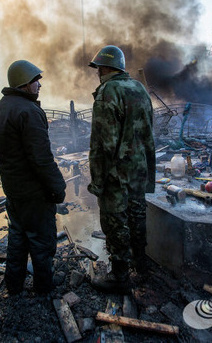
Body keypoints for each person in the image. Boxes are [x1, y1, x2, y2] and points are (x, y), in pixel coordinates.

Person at [0, 60, 67, 296]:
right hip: (34, 192)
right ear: (24, 83)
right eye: (35, 80)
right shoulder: (29, 111)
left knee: (18, 237)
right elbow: (41, 158)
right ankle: (43, 288)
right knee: (42, 242)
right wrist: (58, 186)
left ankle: (14, 286)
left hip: (13, 189)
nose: (39, 84)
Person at [87, 45, 156, 293]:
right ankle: (142, 265)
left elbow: (105, 143)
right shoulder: (139, 88)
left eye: (98, 68)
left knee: (115, 221)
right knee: (137, 215)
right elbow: (149, 131)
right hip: (139, 168)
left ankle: (120, 276)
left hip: (116, 172)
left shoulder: (108, 92)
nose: (97, 73)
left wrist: (98, 180)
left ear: (106, 68)